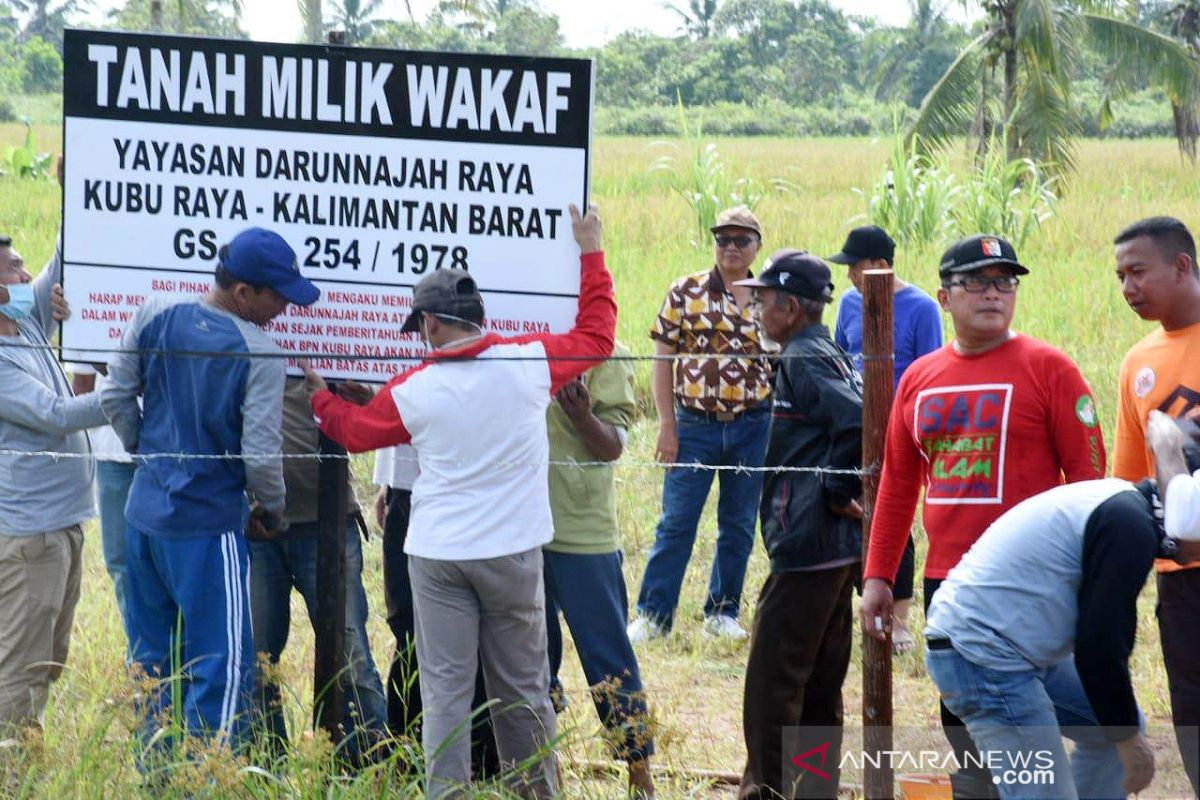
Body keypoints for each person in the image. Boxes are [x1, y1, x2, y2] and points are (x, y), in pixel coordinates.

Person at [301, 204, 614, 799]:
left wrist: (321, 399)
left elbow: (360, 430)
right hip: (513, 554)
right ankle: (536, 793)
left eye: (420, 326)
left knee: (445, 692)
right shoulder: (528, 363)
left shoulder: (415, 389)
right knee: (522, 689)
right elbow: (598, 333)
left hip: (437, 556)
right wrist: (590, 250)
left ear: (432, 324)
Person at [859, 234, 1107, 799]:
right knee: (970, 731)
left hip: (1033, 583)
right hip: (950, 583)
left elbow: (1090, 486)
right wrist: (878, 575)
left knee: (1046, 726)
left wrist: (1090, 582)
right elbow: (898, 485)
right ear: (943, 299)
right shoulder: (918, 380)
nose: (993, 294)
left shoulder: (1051, 369)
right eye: (976, 281)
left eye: (1005, 282)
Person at [101, 227, 320, 751]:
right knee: (219, 666)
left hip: (143, 519)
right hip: (207, 528)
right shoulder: (259, 354)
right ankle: (209, 779)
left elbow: (114, 395)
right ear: (242, 292)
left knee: (151, 662)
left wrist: (147, 456)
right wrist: (272, 511)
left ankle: (157, 776)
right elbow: (263, 458)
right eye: (278, 297)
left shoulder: (154, 313)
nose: (284, 310)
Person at [924, 410, 1200, 800]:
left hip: (1005, 649)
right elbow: (1099, 646)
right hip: (982, 657)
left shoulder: (1128, 511)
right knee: (1052, 787)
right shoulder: (1129, 527)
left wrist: (1123, 735)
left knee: (1118, 729)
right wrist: (1127, 741)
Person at [730, 251, 863, 800]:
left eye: (763, 300)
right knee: (817, 685)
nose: (757, 309)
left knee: (772, 684)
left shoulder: (803, 359)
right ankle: (814, 789)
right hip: (830, 546)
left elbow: (855, 419)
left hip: (808, 542)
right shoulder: (817, 349)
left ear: (790, 306)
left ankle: (769, 790)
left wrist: (835, 491)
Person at [629, 205, 772, 643]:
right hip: (694, 424)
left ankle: (722, 612)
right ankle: (654, 615)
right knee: (677, 521)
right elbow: (662, 361)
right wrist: (666, 426)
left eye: (741, 239)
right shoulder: (685, 290)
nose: (731, 247)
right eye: (723, 239)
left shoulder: (772, 295)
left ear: (756, 246)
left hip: (753, 424)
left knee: (739, 522)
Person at [0, 228, 108, 738]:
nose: (26, 276)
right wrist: (130, 388)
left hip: (62, 524)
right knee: (21, 667)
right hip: (31, 535)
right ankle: (12, 772)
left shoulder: (22, 319)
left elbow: (67, 255)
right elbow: (57, 413)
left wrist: (81, 185)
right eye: (13, 269)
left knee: (49, 659)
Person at [248, 378, 388, 765]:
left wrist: (357, 397)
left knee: (351, 654)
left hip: (327, 521)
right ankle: (264, 769)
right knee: (256, 659)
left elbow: (371, 414)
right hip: (256, 527)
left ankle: (372, 767)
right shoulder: (239, 337)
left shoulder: (326, 341)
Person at [1111, 215, 1200, 795]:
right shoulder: (1137, 362)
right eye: (1120, 277)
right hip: (1181, 575)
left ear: (1183, 266)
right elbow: (1128, 480)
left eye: (1138, 271)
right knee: (1192, 709)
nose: (1128, 288)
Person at [542, 341, 655, 798]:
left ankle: (639, 772)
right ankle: (545, 769)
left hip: (582, 533)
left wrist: (581, 415)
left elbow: (612, 447)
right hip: (516, 528)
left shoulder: (606, 352)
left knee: (609, 659)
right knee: (531, 661)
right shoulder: (519, 338)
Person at [829, 224, 941, 653]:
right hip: (854, 426)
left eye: (855, 266)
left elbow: (931, 372)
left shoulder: (922, 308)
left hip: (900, 426)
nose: (850, 276)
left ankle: (900, 620)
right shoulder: (848, 303)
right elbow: (842, 359)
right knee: (849, 508)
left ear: (880, 265)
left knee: (894, 519)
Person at [374, 443, 500, 777]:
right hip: (408, 489)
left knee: (474, 633)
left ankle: (482, 762)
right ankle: (408, 758)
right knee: (411, 635)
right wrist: (389, 483)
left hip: (467, 487)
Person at [67, 360, 136, 642]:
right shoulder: (92, 322)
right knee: (121, 560)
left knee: (174, 557)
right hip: (113, 452)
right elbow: (82, 387)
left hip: (173, 451)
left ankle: (182, 659)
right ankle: (144, 661)